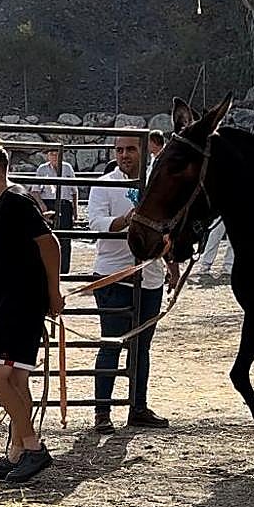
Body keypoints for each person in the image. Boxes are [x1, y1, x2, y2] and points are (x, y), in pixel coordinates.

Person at [0, 142, 62, 484]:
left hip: (20, 305)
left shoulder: (16, 202)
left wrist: (53, 292)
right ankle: (17, 453)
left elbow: (50, 244)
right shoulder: (5, 205)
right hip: (13, 304)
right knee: (17, 379)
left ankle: (34, 448)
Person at [87, 135, 172, 433]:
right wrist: (124, 220)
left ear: (143, 151)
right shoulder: (104, 184)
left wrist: (171, 261)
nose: (125, 155)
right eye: (120, 150)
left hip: (149, 275)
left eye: (131, 149)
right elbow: (95, 223)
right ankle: (102, 411)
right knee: (112, 341)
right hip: (114, 274)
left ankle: (138, 407)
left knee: (142, 346)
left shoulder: (155, 184)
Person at [34, 148, 76, 274]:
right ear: (47, 156)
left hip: (65, 203)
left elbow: (74, 190)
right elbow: (35, 191)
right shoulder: (42, 169)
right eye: (51, 154)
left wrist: (75, 210)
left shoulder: (67, 168)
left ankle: (64, 270)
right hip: (49, 203)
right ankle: (47, 268)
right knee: (47, 237)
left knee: (65, 238)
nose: (54, 156)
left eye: (57, 154)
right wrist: (42, 206)